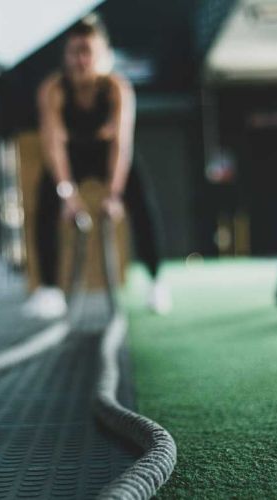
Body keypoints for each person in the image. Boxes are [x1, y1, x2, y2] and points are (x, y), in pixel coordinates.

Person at [22, 14, 171, 319]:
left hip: (108, 156)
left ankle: (156, 282)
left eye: (87, 51)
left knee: (142, 201)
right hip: (72, 156)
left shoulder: (117, 89)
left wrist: (114, 195)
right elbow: (53, 146)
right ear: (66, 56)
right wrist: (68, 196)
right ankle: (50, 290)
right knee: (45, 200)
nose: (80, 60)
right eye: (74, 52)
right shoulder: (53, 91)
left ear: (102, 55)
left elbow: (121, 145)